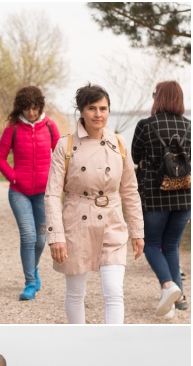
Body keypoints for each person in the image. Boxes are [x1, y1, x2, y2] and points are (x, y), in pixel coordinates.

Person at [44, 84, 144, 324]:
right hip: (76, 221)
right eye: (92, 108)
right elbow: (52, 194)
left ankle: (112, 347)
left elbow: (130, 190)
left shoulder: (119, 144)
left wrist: (137, 232)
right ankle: (79, 342)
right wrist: (56, 235)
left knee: (114, 292)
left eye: (103, 108)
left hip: (112, 221)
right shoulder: (66, 145)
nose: (98, 114)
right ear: (81, 111)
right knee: (76, 293)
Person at [0, 86, 62, 301]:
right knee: (28, 235)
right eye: (26, 109)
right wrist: (14, 177)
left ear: (40, 106)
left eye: (34, 108)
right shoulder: (12, 129)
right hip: (19, 193)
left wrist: (55, 182)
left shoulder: (51, 127)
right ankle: (30, 283)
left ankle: (34, 269)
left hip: (44, 195)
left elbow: (61, 157)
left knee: (41, 238)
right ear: (19, 108)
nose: (31, 113)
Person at [130, 80, 191, 318]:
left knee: (152, 244)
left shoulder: (146, 125)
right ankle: (181, 299)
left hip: (155, 195)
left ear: (158, 98)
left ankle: (168, 285)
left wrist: (148, 162)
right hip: (184, 195)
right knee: (172, 245)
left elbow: (135, 155)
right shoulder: (188, 126)